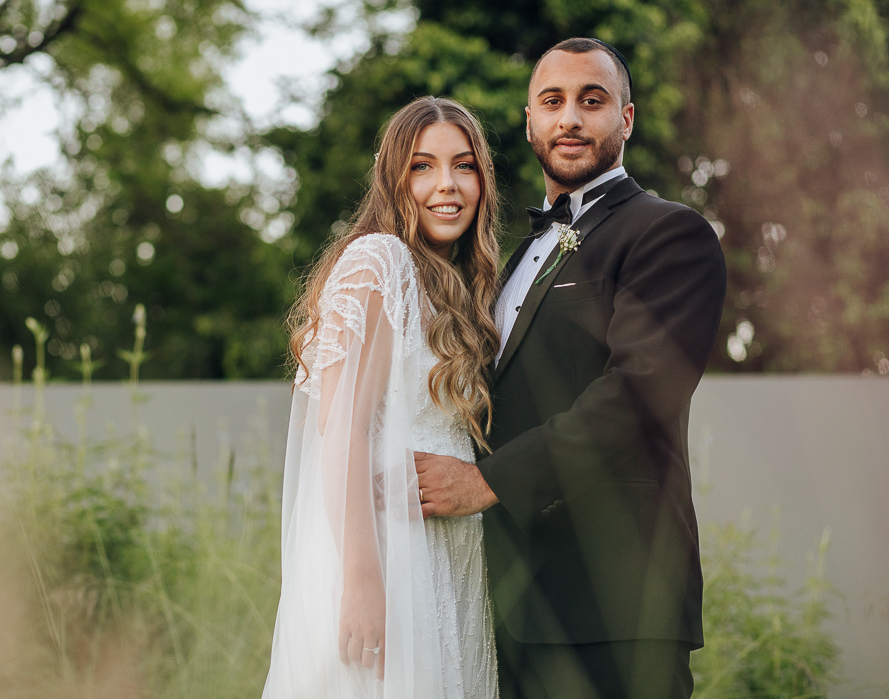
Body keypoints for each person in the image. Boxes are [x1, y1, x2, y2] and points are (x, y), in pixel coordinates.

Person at [414, 38, 727, 699]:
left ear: (626, 119)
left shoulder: (668, 235)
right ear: (528, 120)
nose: (570, 120)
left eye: (592, 101)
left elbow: (638, 396)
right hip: (509, 605)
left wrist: (484, 484)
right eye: (551, 102)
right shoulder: (516, 253)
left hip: (615, 608)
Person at [261, 96, 502, 699]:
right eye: (422, 166)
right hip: (389, 562)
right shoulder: (381, 262)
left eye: (464, 165)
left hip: (451, 561)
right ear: (394, 179)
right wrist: (364, 580)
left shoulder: (462, 292)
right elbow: (341, 430)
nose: (446, 185)